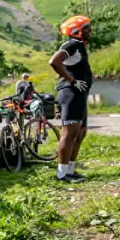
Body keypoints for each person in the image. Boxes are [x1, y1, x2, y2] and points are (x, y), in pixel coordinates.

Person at [48, 15, 93, 183]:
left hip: (79, 94)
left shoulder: (80, 46)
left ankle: (70, 170)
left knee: (80, 133)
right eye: (87, 29)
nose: (90, 31)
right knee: (69, 133)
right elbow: (54, 61)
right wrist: (71, 80)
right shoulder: (72, 44)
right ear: (77, 32)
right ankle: (61, 174)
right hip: (70, 93)